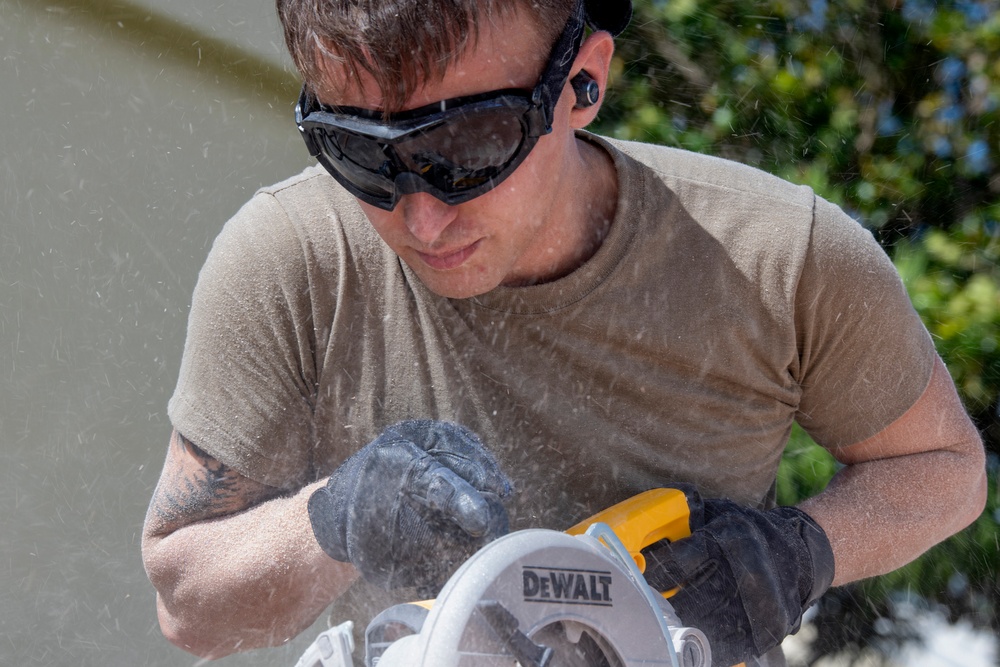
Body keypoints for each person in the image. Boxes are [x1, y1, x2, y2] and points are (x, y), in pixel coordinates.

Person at [140, 0, 987, 664]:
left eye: (467, 144)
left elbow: (946, 469)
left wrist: (802, 551)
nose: (422, 217)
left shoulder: (778, 255)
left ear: (582, 82)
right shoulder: (293, 258)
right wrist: (334, 517)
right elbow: (186, 601)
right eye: (361, 154)